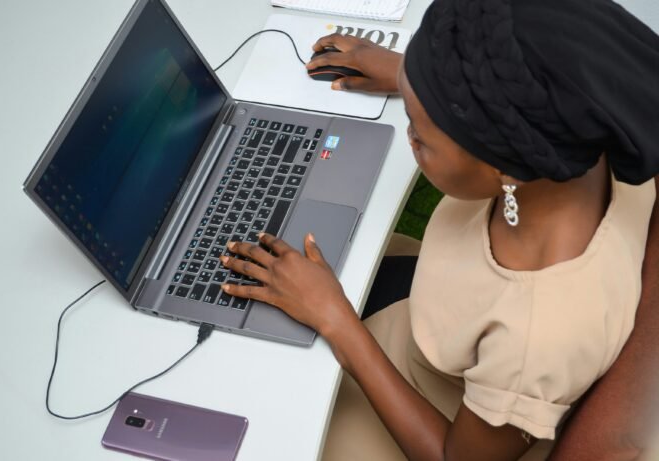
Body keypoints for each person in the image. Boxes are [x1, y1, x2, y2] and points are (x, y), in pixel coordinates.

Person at [218, 0, 659, 459]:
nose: (411, 137)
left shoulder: (536, 336)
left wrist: (335, 319)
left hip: (439, 411)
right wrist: (426, 78)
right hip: (434, 324)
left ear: (504, 167)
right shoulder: (576, 137)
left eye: (419, 132)